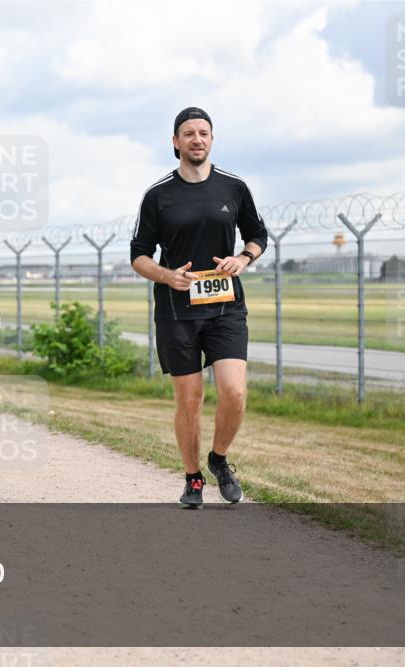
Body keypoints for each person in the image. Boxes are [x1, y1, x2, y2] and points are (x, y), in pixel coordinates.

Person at [130, 106, 268, 508]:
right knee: (189, 400)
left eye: (204, 133)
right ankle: (193, 478)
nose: (197, 139)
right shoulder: (158, 195)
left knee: (235, 392)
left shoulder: (234, 188)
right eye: (188, 133)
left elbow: (258, 234)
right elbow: (139, 255)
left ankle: (219, 459)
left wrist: (243, 259)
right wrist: (167, 275)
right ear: (175, 142)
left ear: (212, 139)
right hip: (177, 310)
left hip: (225, 305)